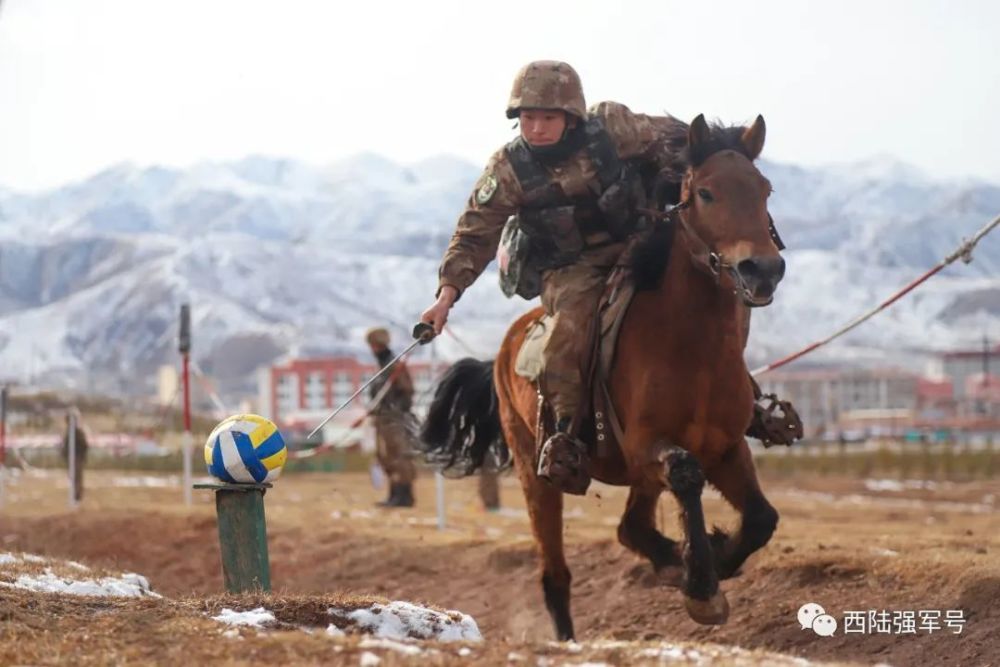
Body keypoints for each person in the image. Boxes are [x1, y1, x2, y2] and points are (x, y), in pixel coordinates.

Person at [420, 60, 685, 492]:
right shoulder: (507, 169)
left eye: (548, 117)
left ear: (572, 116)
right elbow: (474, 234)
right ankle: (564, 437)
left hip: (644, 244)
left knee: (706, 283)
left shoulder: (613, 127)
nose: (537, 128)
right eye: (528, 118)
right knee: (568, 335)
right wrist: (446, 297)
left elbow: (680, 142)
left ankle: (745, 399)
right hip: (573, 268)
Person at [366, 327, 418, 507]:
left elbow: (407, 391)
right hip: (383, 421)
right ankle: (394, 494)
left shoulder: (394, 365)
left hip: (396, 421)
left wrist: (397, 412)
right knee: (387, 458)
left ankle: (404, 496)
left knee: (400, 458)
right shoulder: (381, 367)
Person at [60, 409, 88, 502]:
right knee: (73, 476)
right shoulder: (69, 432)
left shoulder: (78, 432)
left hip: (77, 458)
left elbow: (84, 445)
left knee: (77, 477)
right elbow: (66, 445)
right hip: (71, 458)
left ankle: (77, 495)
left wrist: (80, 456)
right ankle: (75, 494)